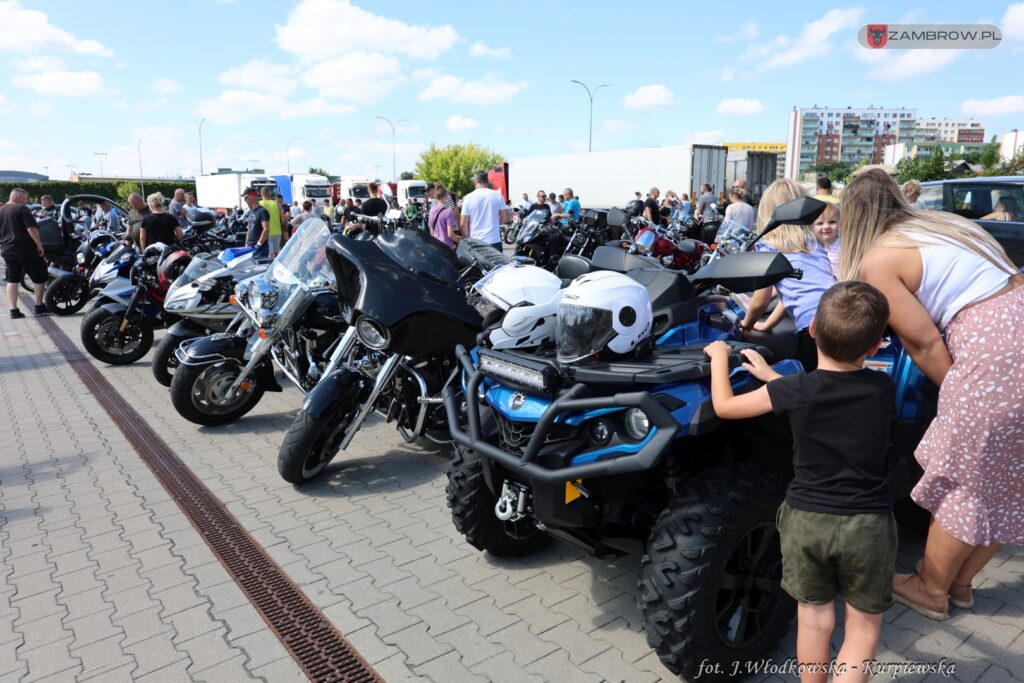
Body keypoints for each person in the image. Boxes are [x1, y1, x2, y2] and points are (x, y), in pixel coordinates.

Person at [839, 167, 1024, 621]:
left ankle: (931, 588)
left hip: (995, 353)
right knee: (1007, 476)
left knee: (965, 481)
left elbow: (923, 342)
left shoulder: (879, 259)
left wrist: (958, 397)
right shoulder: (949, 225)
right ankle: (961, 585)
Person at [704, 281, 897, 683]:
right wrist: (775, 377)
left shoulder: (795, 391)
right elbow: (829, 391)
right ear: (877, 346)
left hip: (807, 519)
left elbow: (725, 407)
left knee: (814, 621)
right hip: (868, 525)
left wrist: (721, 357)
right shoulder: (883, 388)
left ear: (811, 331)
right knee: (862, 627)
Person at [739, 179, 835, 371]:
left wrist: (746, 325)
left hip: (814, 327)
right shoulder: (811, 242)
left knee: (808, 382)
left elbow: (760, 301)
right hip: (837, 312)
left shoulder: (768, 247)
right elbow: (794, 293)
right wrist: (767, 325)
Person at [1, 188, 49, 318]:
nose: (26, 201)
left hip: (7, 250)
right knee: (40, 278)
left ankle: (13, 310)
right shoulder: (22, 209)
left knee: (12, 280)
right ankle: (39, 307)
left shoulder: (1, 210)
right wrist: (39, 245)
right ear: (17, 196)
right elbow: (32, 228)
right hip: (26, 250)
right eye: (25, 198)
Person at [460, 170, 510, 250]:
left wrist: (467, 240)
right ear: (487, 181)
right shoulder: (497, 195)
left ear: (474, 182)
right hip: (494, 241)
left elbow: (463, 224)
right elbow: (506, 219)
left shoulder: (468, 198)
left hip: (476, 242)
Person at [813, 202, 841, 278]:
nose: (826, 226)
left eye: (832, 222)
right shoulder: (812, 247)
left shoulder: (842, 246)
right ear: (812, 226)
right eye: (820, 223)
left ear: (840, 224)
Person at [428, 184, 459, 249]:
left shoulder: (431, 211)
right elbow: (450, 234)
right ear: (445, 196)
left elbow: (431, 231)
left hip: (437, 244)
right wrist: (458, 241)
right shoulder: (449, 211)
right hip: (447, 245)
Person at [242, 188, 271, 257]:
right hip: (250, 247)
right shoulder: (250, 212)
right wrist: (246, 244)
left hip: (260, 250)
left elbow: (266, 230)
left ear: (251, 196)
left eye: (245, 197)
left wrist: (258, 244)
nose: (244, 200)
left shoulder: (262, 211)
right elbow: (249, 229)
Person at [256, 188, 282, 257]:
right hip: (277, 232)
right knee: (276, 254)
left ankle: (270, 267)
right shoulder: (276, 204)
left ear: (261, 194)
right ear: (269, 193)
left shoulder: (259, 204)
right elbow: (283, 217)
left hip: (266, 232)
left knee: (270, 254)